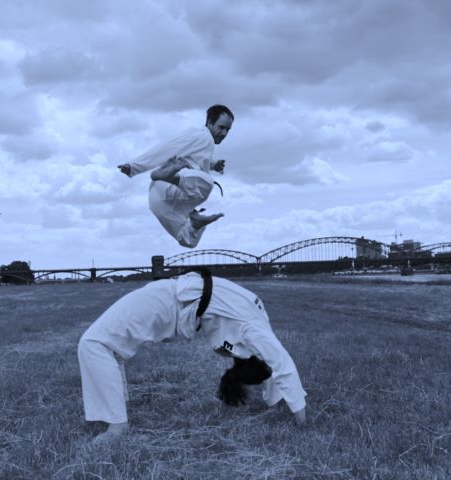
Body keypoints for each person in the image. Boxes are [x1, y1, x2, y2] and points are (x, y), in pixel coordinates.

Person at [77, 270, 307, 443]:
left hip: (170, 302)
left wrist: (283, 410)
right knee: (101, 345)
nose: (225, 353)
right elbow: (278, 365)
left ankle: (117, 427)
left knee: (94, 343)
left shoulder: (254, 329)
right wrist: (295, 417)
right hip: (170, 300)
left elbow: (276, 366)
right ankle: (114, 413)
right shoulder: (255, 333)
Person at [117, 105, 234, 248]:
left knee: (189, 240)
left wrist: (213, 164)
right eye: (221, 127)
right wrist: (134, 166)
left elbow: (194, 159)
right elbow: (167, 147)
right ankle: (168, 176)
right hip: (166, 185)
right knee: (208, 184)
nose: (224, 133)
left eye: (228, 130)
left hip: (161, 202)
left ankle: (195, 221)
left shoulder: (204, 142)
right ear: (209, 122)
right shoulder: (201, 135)